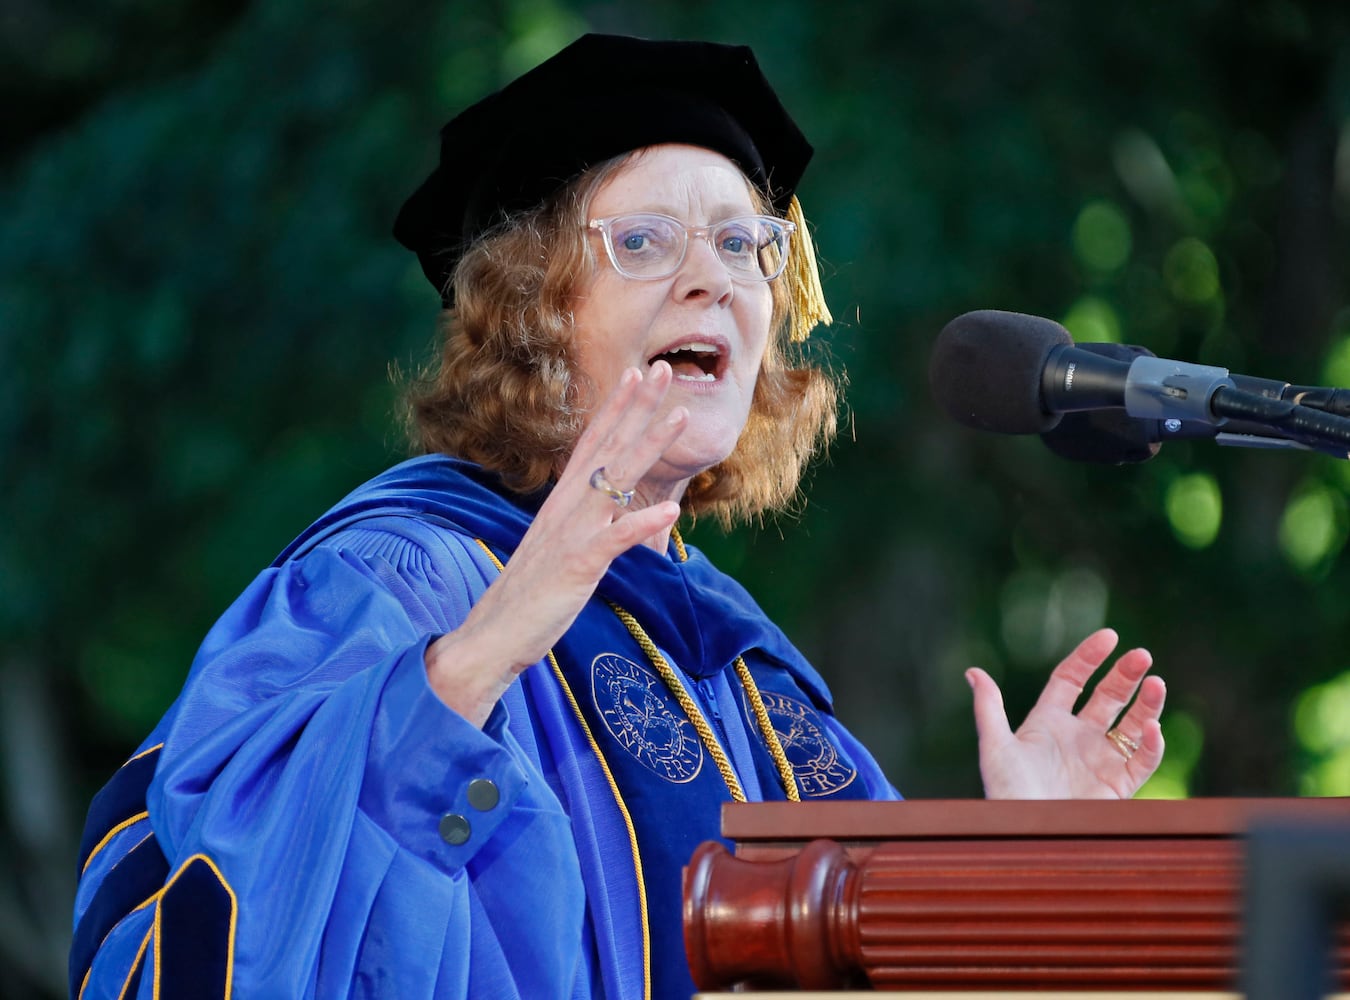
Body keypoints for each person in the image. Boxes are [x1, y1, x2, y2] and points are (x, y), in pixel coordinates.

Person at [71, 33, 1166, 1000]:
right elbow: (224, 928)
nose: (713, 279)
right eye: (644, 242)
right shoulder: (396, 582)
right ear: (532, 320)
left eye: (744, 246)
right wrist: (473, 662)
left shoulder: (765, 695)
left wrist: (1026, 862)